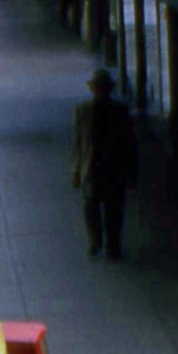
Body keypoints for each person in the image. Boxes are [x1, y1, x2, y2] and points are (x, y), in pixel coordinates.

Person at [71, 67, 140, 262]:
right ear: (93, 89)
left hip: (114, 167)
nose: (100, 91)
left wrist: (131, 172)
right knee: (90, 207)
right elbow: (78, 142)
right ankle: (96, 241)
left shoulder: (120, 111)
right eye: (97, 87)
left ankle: (113, 245)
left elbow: (129, 144)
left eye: (103, 87)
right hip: (91, 167)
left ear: (108, 89)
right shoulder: (82, 111)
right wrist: (76, 170)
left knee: (114, 209)